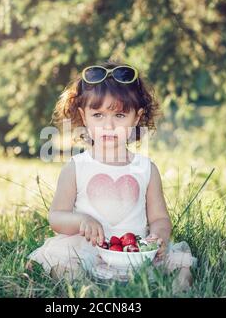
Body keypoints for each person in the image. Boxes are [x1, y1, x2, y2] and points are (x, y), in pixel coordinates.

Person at [27, 60, 196, 291]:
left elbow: (159, 218)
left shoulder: (146, 168)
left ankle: (180, 290)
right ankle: (86, 290)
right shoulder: (76, 167)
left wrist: (158, 237)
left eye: (119, 116)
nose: (108, 125)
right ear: (83, 117)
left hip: (134, 252)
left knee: (181, 264)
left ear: (136, 118)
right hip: (88, 250)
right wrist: (81, 221)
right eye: (98, 115)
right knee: (64, 261)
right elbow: (56, 217)